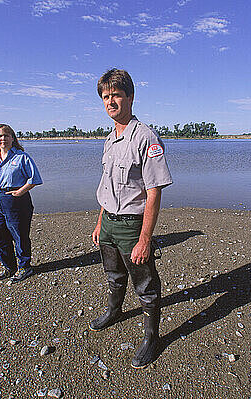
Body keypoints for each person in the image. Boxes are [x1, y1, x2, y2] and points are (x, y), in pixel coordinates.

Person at [91, 69, 173, 368]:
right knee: (113, 276)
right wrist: (101, 222)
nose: (110, 102)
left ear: (130, 97)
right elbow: (107, 185)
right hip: (110, 222)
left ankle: (153, 338)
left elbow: (154, 193)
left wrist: (145, 239)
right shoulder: (110, 137)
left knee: (146, 286)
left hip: (132, 225)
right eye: (106, 97)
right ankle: (115, 312)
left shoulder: (146, 137)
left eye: (116, 95)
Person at [0, 123, 43, 283]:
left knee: (20, 235)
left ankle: (25, 267)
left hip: (16, 200)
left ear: (12, 138)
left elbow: (34, 179)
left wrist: (19, 192)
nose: (3, 139)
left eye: (6, 135)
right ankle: (10, 267)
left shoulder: (22, 157)